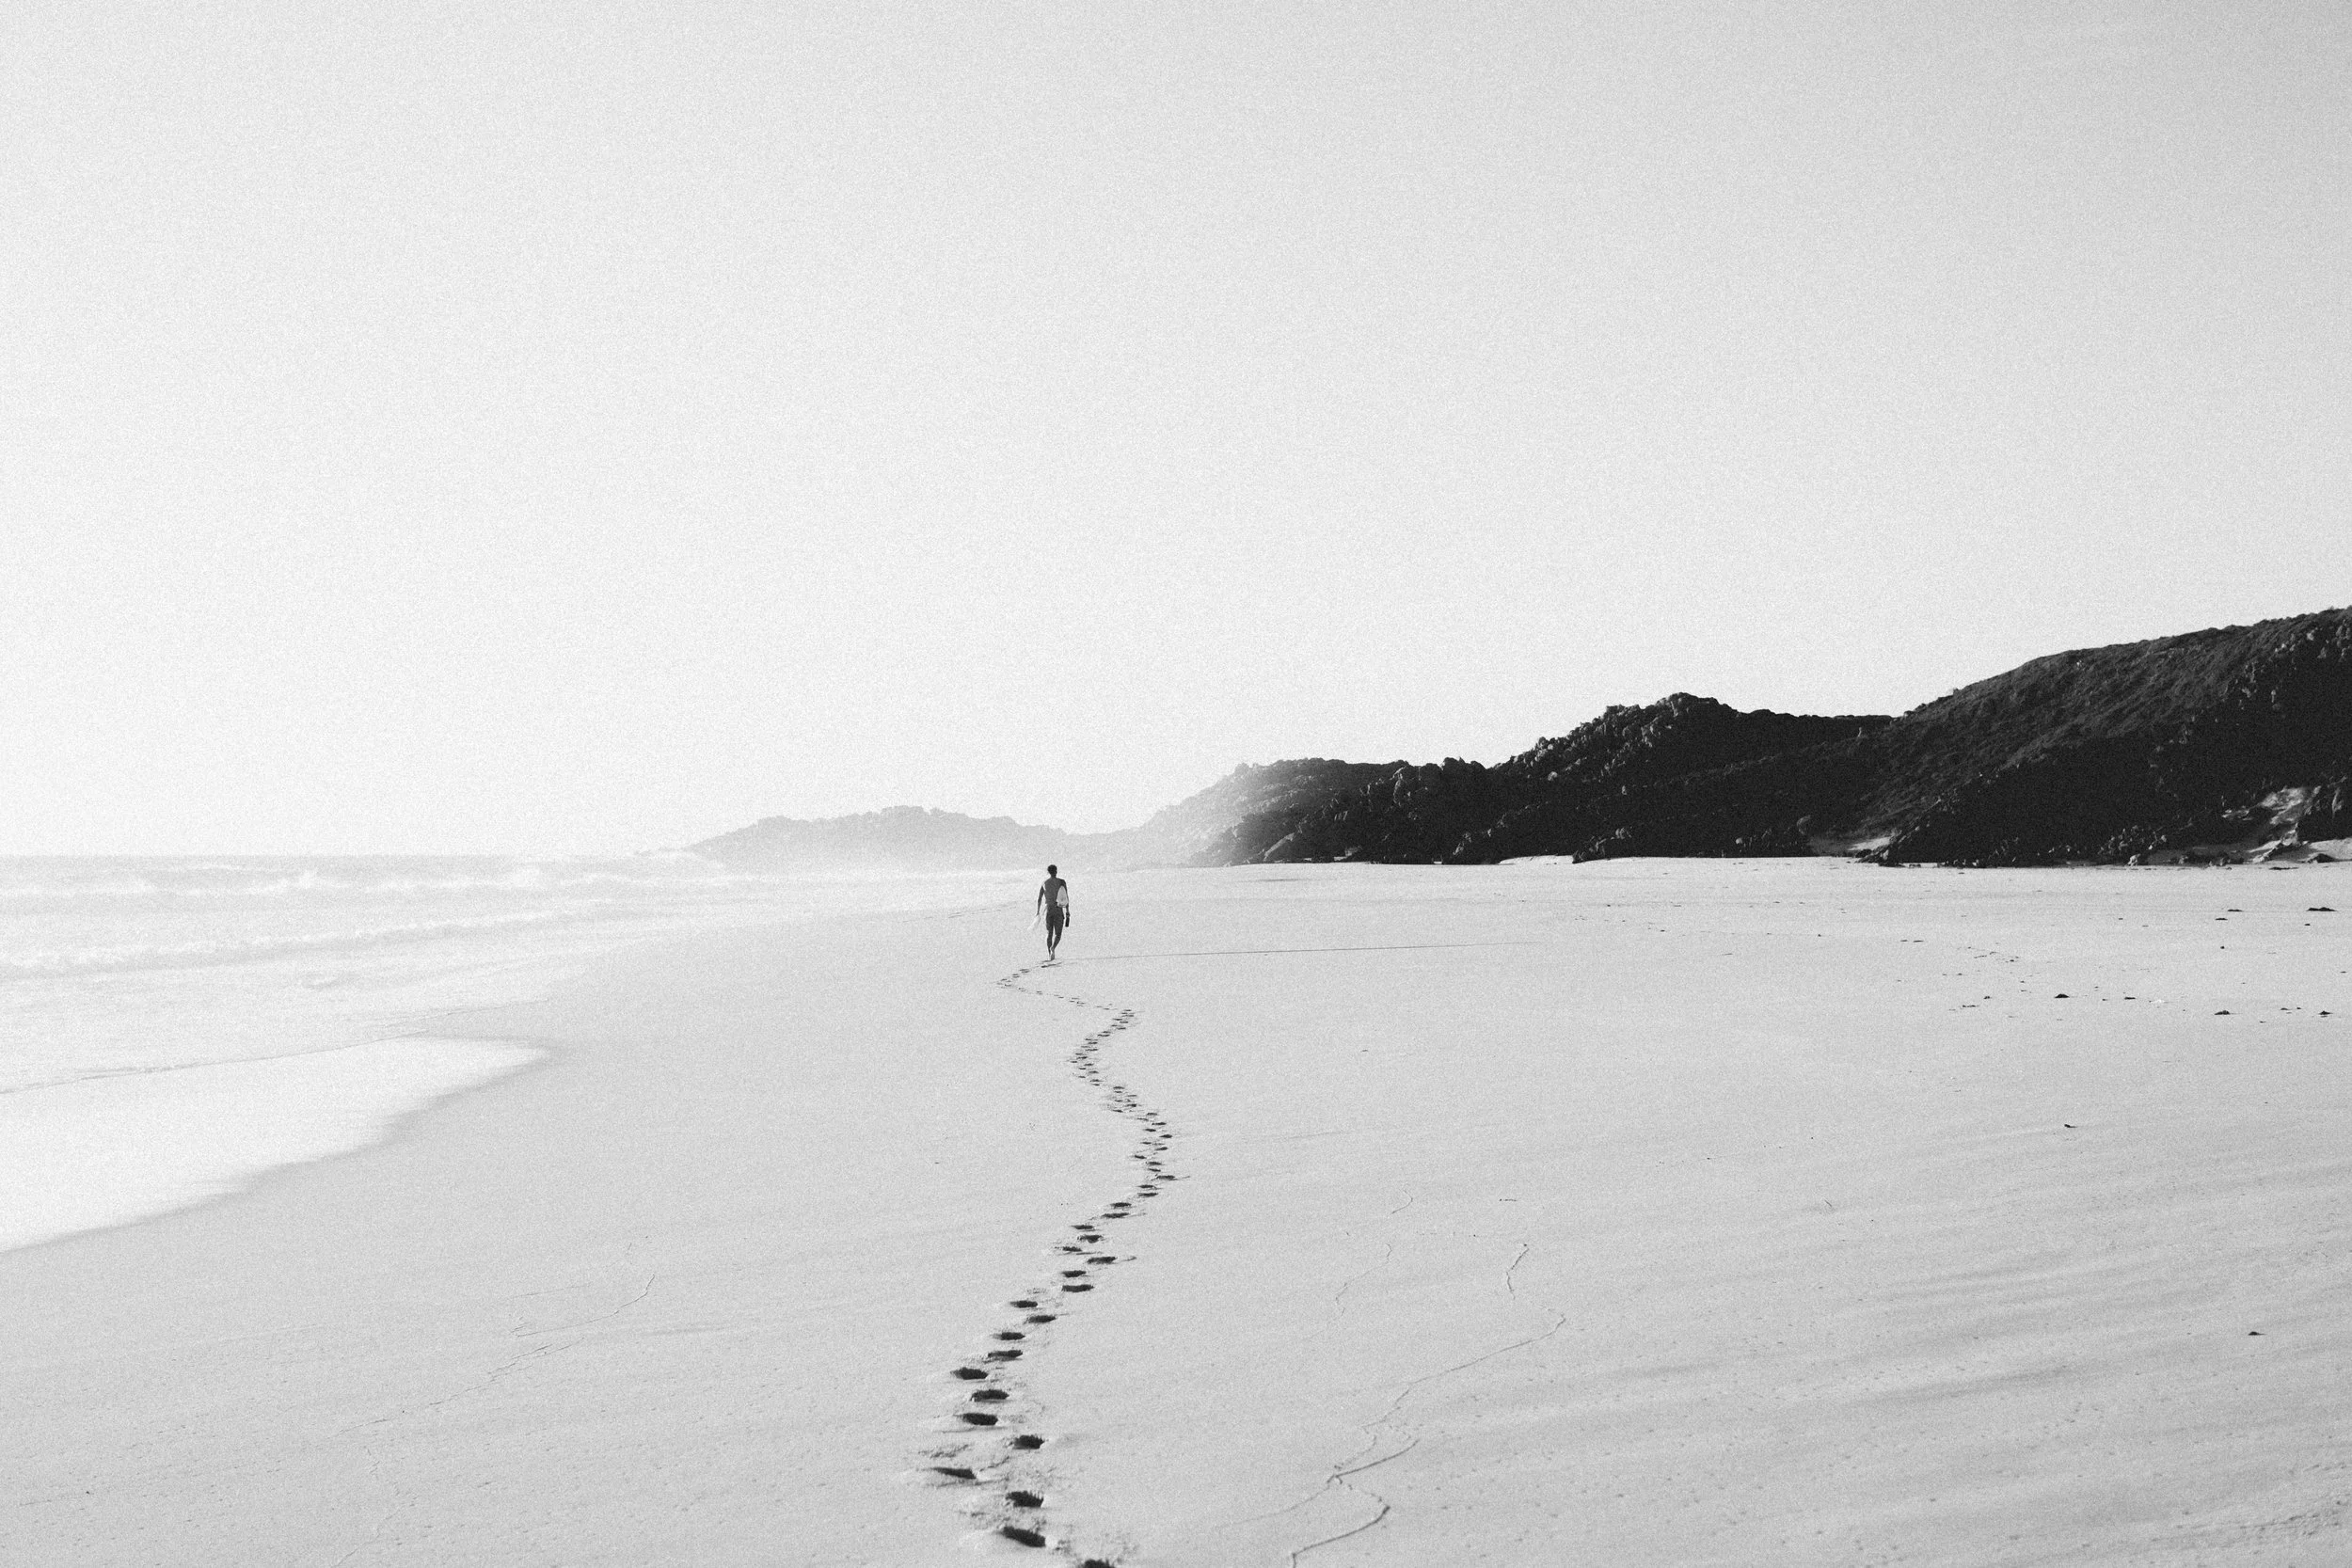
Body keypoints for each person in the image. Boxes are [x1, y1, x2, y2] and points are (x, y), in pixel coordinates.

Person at [1037, 864, 1072, 960]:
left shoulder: (1044, 883)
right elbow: (1065, 897)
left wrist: (1037, 912)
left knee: (1049, 933)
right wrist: (1067, 911)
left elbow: (1039, 899)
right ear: (1056, 871)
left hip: (1047, 909)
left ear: (1048, 872)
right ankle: (1053, 948)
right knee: (1058, 934)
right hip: (1058, 908)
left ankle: (1050, 954)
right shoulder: (1061, 882)